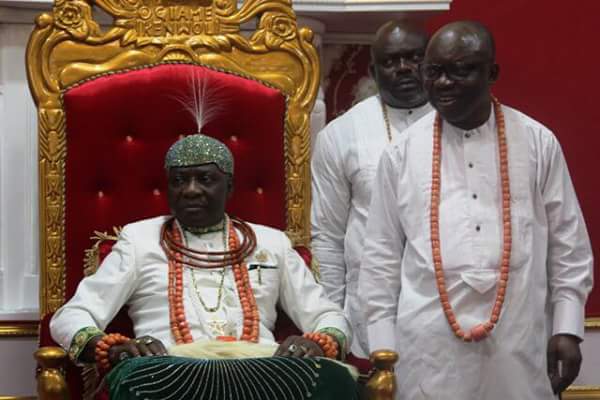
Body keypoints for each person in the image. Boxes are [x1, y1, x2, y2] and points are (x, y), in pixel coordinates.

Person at [358, 20, 593, 399]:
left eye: (460, 70)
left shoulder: (538, 142)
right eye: (434, 71)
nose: (443, 82)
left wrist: (567, 328)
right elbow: (380, 258)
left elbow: (569, 243)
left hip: (519, 342)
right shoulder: (401, 153)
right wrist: (383, 351)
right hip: (427, 352)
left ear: (492, 73)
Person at [50, 132, 351, 373]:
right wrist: (114, 348)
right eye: (179, 181)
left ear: (229, 186)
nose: (191, 190)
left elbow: (328, 315)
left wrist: (317, 343)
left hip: (261, 376)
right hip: (165, 377)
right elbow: (70, 316)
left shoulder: (271, 243)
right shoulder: (139, 241)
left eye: (205, 179)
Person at [311, 20, 432, 358]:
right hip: (371, 306)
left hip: (443, 305)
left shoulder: (456, 125)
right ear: (373, 71)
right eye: (391, 61)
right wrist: (331, 321)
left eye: (414, 57)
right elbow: (328, 235)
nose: (404, 67)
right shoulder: (340, 134)